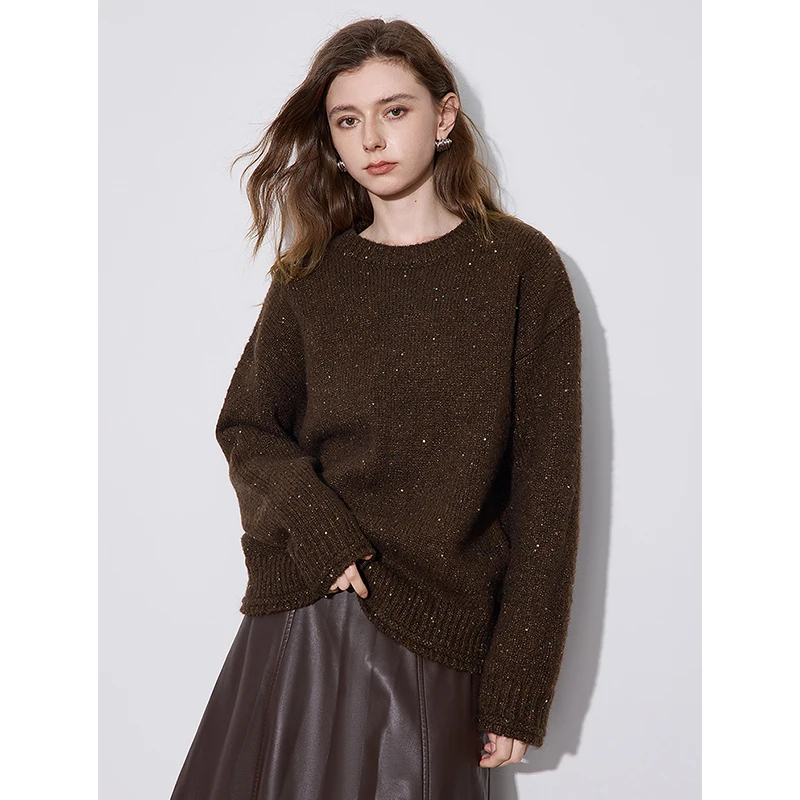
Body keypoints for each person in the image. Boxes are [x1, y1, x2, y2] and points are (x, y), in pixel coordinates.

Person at [170, 16, 583, 800]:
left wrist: (519, 684)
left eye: (395, 110)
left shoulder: (522, 269)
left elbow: (547, 492)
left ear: (444, 116)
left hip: (438, 631)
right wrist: (321, 531)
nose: (372, 139)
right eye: (347, 120)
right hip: (307, 612)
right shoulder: (312, 275)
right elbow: (247, 425)